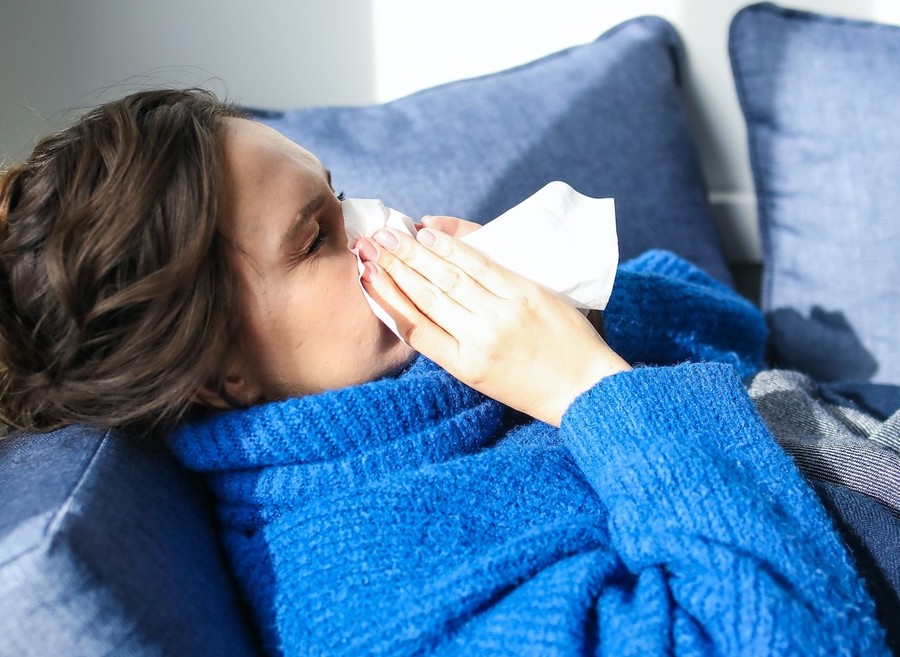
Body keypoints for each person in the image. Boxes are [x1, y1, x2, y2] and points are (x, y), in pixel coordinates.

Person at [0, 89, 892, 655]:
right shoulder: (362, 593)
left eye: (338, 192)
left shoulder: (428, 374)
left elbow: (741, 336)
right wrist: (588, 391)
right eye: (317, 237)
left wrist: (574, 308)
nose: (376, 222)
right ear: (218, 371)